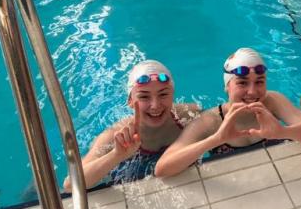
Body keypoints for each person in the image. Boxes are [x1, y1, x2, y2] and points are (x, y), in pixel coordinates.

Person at [155, 48, 301, 177]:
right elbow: (163, 168)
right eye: (242, 83)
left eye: (259, 82)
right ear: (227, 86)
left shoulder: (272, 101)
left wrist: (282, 131)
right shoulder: (211, 120)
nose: (252, 91)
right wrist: (216, 139)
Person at [63, 60, 199, 191]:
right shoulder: (115, 136)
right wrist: (116, 155)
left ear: (172, 95)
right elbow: (71, 184)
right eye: (144, 97)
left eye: (163, 94)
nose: (155, 105)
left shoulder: (188, 116)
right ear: (130, 101)